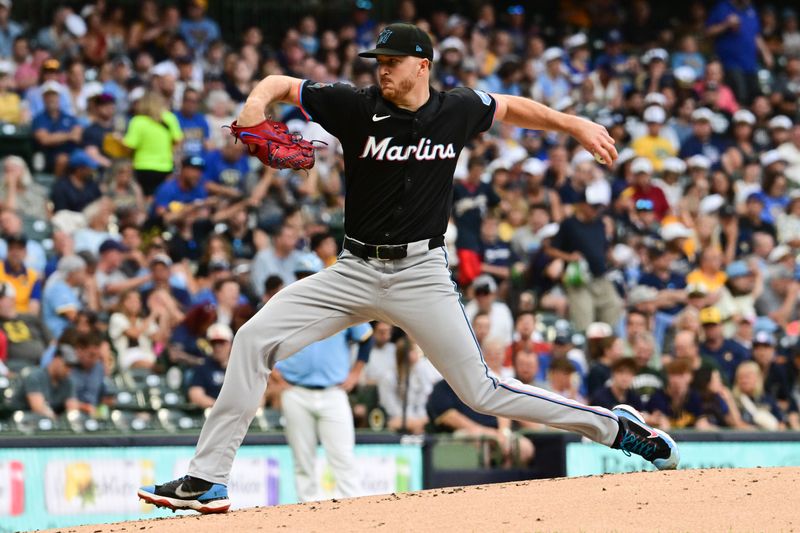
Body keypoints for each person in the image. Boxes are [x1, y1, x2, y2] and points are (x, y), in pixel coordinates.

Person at [139, 22, 678, 513]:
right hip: (352, 270)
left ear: (422, 65)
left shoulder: (457, 108)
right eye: (378, 62)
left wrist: (573, 124)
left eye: (391, 62)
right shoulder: (353, 105)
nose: (382, 71)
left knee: (481, 391)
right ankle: (207, 479)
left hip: (421, 274)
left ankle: (613, 426)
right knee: (252, 339)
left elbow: (511, 108)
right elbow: (279, 82)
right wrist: (255, 110)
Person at [270, 252, 373, 502]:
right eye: (300, 276)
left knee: (343, 457)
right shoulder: (284, 306)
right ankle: (308, 516)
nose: (305, 280)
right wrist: (275, 375)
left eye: (309, 275)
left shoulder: (339, 303)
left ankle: (354, 514)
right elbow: (265, 342)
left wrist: (356, 373)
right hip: (296, 390)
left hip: (333, 391)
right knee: (302, 460)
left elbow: (365, 337)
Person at [123, 90, 184, 197]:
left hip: (142, 166)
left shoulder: (138, 121)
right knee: (159, 196)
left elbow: (129, 146)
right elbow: (178, 140)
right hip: (165, 166)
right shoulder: (170, 118)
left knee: (143, 196)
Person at [378, 336, 440, 434]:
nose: (417, 354)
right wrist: (411, 421)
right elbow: (390, 406)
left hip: (420, 418)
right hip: (397, 419)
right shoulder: (389, 377)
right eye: (413, 351)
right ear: (405, 354)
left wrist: (420, 419)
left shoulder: (420, 371)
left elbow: (426, 396)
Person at [10, 345, 78, 419]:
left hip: (47, 424)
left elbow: (73, 410)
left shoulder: (68, 382)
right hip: (19, 422)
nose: (69, 370)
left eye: (71, 367)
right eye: (67, 365)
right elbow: (39, 409)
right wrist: (59, 423)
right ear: (57, 359)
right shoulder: (35, 376)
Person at [0, 282, 51, 372]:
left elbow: (52, 341)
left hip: (43, 361)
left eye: (1, 298)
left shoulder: (30, 318)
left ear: (12, 299)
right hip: (15, 365)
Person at [187, 323, 236, 409]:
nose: (217, 347)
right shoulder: (202, 367)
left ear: (230, 344)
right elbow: (195, 395)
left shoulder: (239, 367)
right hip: (211, 414)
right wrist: (221, 408)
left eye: (221, 342)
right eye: (214, 343)